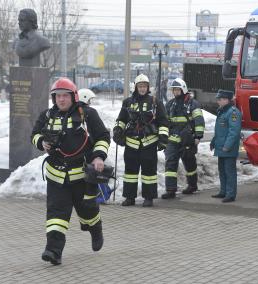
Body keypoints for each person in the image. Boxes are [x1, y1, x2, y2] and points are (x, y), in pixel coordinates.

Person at [31, 78, 110, 265]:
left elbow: (103, 137)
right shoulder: (47, 116)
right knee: (57, 214)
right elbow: (33, 134)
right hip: (56, 176)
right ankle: (53, 251)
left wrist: (98, 157)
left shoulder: (87, 114)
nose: (61, 100)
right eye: (57, 96)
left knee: (87, 212)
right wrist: (41, 142)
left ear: (73, 97)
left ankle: (95, 228)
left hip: (82, 177)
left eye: (65, 96)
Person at [113, 74, 169, 207]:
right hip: (131, 143)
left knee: (149, 172)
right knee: (130, 172)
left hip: (149, 143)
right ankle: (129, 197)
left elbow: (163, 121)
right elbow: (121, 119)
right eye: (140, 86)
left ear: (148, 87)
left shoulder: (155, 102)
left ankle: (148, 198)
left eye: (144, 86)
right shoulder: (128, 102)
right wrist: (117, 131)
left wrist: (163, 139)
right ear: (136, 87)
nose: (142, 89)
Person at [161, 78, 205, 199]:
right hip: (173, 139)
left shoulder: (192, 103)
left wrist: (198, 136)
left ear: (183, 89)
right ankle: (170, 190)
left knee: (189, 162)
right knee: (170, 163)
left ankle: (192, 185)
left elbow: (199, 121)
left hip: (188, 139)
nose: (175, 92)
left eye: (177, 89)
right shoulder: (170, 104)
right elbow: (164, 121)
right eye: (173, 90)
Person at [210, 89, 242, 203]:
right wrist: (213, 141)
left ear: (227, 100)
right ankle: (223, 191)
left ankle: (230, 194)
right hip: (221, 147)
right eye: (218, 99)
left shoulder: (233, 112)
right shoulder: (222, 111)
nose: (218, 101)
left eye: (220, 99)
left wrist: (227, 146)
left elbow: (234, 132)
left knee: (229, 171)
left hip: (228, 149)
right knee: (222, 170)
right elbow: (220, 131)